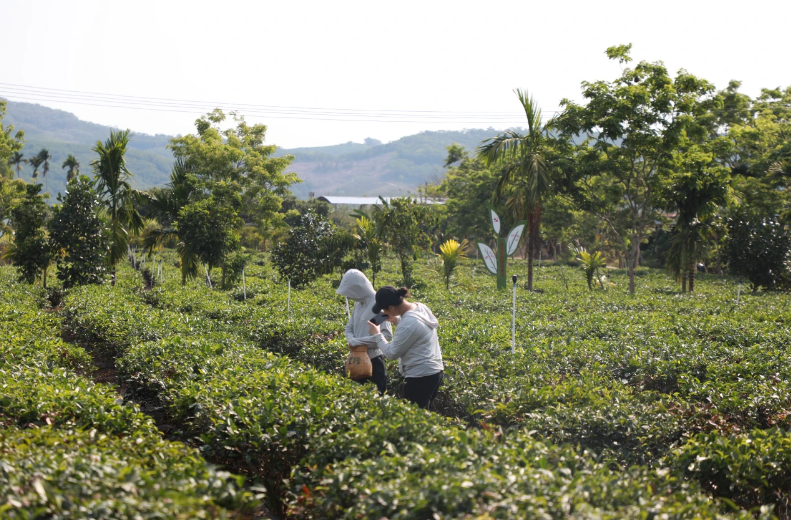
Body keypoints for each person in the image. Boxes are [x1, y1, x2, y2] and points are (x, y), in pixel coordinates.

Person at [368, 286, 444, 410]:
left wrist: (377, 334)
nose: (384, 313)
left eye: (385, 310)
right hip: (434, 371)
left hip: (421, 377)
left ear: (392, 307)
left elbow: (391, 354)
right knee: (423, 414)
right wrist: (397, 320)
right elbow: (416, 329)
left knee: (416, 419)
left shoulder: (408, 324)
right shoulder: (419, 307)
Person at [336, 269, 393, 393]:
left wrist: (358, 342)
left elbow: (386, 335)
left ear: (359, 288)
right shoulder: (358, 304)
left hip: (374, 361)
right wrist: (352, 340)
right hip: (356, 359)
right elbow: (349, 327)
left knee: (376, 400)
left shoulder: (378, 304)